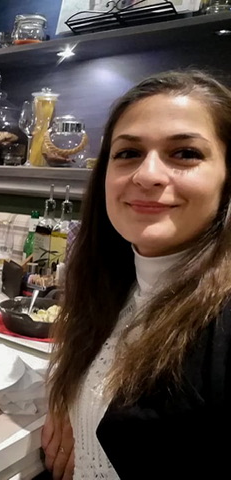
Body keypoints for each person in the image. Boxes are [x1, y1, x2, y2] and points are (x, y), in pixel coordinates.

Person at [41, 70, 231, 479]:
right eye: (128, 153)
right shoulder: (115, 280)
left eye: (185, 153)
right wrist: (69, 399)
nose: (147, 175)